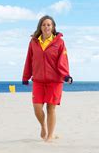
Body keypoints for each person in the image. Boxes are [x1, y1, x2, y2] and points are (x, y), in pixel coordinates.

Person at [22, 15, 73, 143]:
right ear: (40, 27)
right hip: (38, 80)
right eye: (44, 25)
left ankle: (50, 136)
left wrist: (66, 75)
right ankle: (43, 126)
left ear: (53, 27)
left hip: (54, 81)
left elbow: (63, 60)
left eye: (49, 25)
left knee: (51, 108)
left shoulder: (59, 42)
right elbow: (29, 60)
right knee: (37, 108)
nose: (46, 27)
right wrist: (25, 76)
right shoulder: (34, 42)